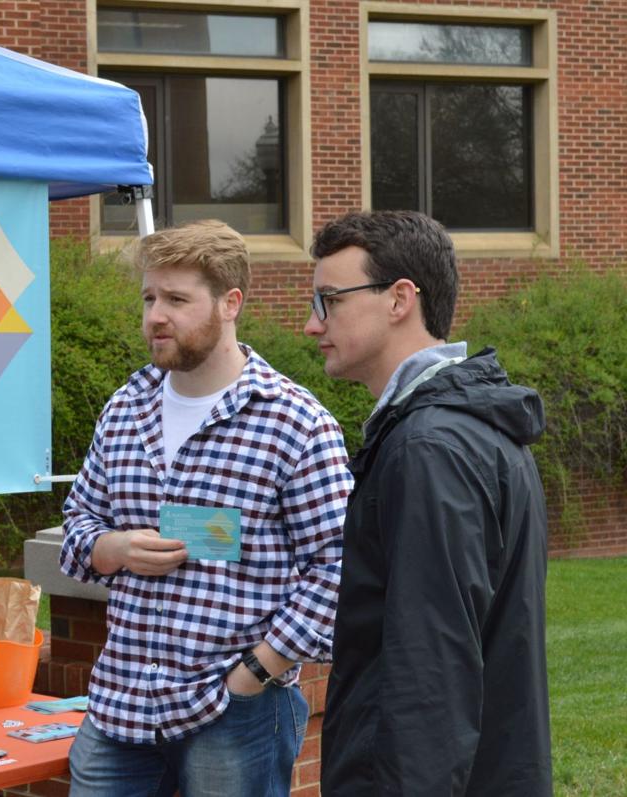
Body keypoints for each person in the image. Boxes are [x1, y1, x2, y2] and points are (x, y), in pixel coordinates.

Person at [60, 219, 353, 797]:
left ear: (230, 303)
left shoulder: (293, 422)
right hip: (121, 703)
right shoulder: (125, 409)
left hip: (233, 710)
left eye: (176, 299)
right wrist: (110, 548)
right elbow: (78, 524)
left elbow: (340, 568)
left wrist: (257, 673)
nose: (155, 316)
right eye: (149, 298)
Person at [304, 210, 552, 795]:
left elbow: (428, 672)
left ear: (399, 299)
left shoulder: (428, 447)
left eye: (329, 301)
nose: (312, 326)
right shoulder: (463, 429)